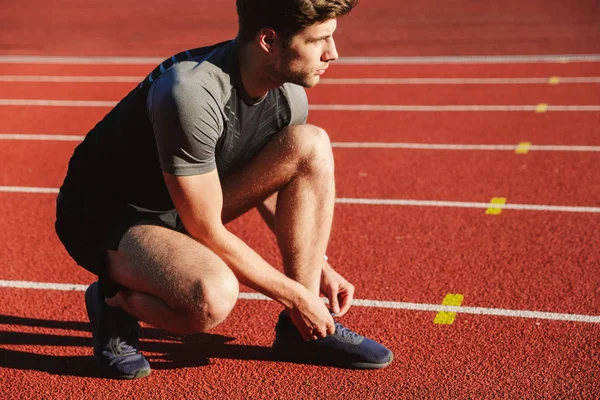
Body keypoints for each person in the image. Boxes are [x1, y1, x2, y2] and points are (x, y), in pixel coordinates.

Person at [55, 0, 393, 379]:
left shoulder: (288, 96)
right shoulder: (190, 92)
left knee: (309, 143)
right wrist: (299, 296)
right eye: (320, 40)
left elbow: (267, 181)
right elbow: (206, 229)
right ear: (269, 40)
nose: (333, 53)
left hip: (183, 204)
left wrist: (319, 269)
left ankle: (303, 333)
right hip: (109, 217)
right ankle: (114, 301)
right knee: (210, 298)